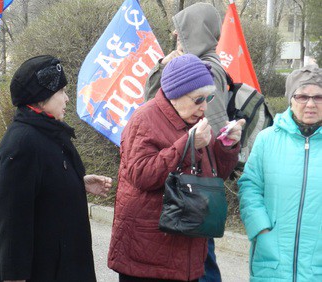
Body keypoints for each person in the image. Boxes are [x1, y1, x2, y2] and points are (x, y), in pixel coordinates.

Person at [108, 54, 244, 281]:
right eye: (197, 99)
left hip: (187, 242)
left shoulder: (195, 120)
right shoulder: (144, 119)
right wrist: (186, 145)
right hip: (148, 250)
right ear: (174, 94)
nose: (204, 106)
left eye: (209, 98)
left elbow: (215, 175)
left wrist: (226, 146)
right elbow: (141, 175)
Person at [0, 55, 112, 282]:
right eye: (61, 92)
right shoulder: (22, 143)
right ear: (41, 99)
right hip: (40, 271)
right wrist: (14, 278)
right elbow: (12, 221)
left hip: (61, 264)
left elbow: (44, 182)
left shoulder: (47, 131)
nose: (67, 99)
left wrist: (76, 181)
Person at [144, 4, 231, 280]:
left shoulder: (206, 70)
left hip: (195, 185)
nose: (174, 35)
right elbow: (150, 104)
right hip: (187, 180)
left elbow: (211, 131)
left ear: (195, 33)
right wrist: (162, 67)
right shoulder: (189, 66)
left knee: (200, 263)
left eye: (181, 31)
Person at [238, 65, 322, 281]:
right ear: (290, 99)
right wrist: (261, 228)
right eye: (302, 96)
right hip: (272, 260)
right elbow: (250, 187)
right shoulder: (267, 139)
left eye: (319, 97)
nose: (311, 104)